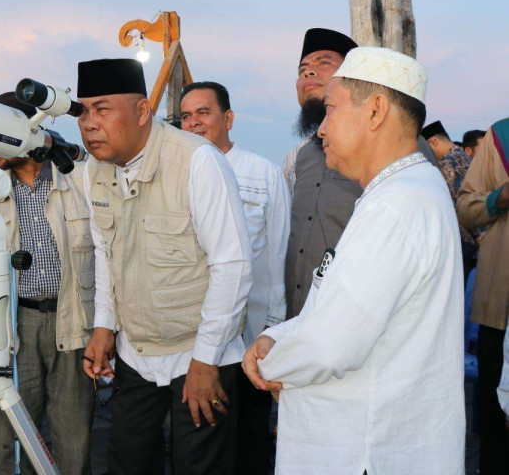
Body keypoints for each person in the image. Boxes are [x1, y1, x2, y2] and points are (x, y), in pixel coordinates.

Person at [243, 47, 465, 475]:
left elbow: (332, 343)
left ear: (376, 111)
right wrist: (285, 337)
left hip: (365, 450)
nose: (321, 128)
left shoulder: (397, 204)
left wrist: (270, 359)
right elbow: (341, 306)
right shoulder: (400, 191)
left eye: (330, 110)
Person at [79, 59, 252, 475]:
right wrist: (104, 325)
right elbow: (105, 250)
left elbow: (233, 266)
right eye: (83, 111)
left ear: (142, 112)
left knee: (200, 466)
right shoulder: (93, 171)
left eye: (103, 109)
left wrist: (207, 361)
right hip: (136, 353)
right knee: (127, 462)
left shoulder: (197, 162)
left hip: (200, 353)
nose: (89, 124)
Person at [282, 28, 435, 318]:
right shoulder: (300, 156)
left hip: (362, 321)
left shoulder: (399, 147)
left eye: (323, 63)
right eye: (303, 68)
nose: (309, 73)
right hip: (298, 322)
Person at [179, 81, 289, 475]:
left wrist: (274, 326)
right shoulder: (178, 174)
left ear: (228, 118)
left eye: (203, 113)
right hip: (197, 341)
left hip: (250, 336)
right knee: (202, 440)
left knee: (250, 439)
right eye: (186, 116)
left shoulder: (263, 173)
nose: (193, 123)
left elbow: (277, 253)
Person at [0, 92, 96, 475]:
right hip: (14, 324)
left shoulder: (78, 179)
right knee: (12, 432)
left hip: (73, 319)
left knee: (73, 432)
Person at [456, 118, 509, 474]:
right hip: (500, 309)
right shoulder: (501, 135)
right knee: (495, 426)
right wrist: (500, 197)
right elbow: (466, 206)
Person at [423, 120, 478, 281]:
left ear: (433, 142)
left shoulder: (447, 163)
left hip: (462, 238)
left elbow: (456, 203)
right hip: (475, 231)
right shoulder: (463, 155)